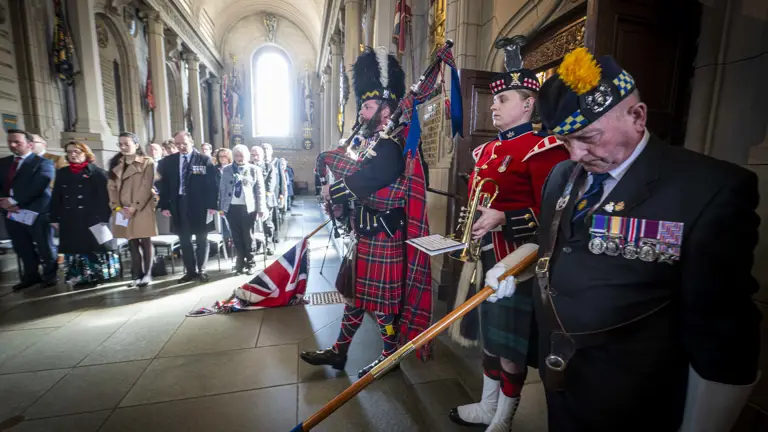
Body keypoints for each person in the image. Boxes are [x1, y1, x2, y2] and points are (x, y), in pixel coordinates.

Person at [485, 48, 761, 432]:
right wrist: (511, 264)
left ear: (637, 116)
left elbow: (724, 333)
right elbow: (551, 242)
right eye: (566, 141)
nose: (577, 153)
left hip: (637, 395)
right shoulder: (562, 176)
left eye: (588, 136)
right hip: (561, 379)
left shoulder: (708, 190)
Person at [448, 68, 569, 430]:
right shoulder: (487, 150)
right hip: (486, 255)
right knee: (489, 337)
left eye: (503, 99)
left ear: (529, 104)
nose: (493, 107)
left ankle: (503, 418)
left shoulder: (543, 148)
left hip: (519, 261)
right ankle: (488, 405)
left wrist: (504, 217)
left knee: (510, 347)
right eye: (494, 100)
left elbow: (554, 213)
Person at [300, 46, 433, 377]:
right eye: (362, 104)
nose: (362, 110)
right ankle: (339, 352)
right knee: (356, 298)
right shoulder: (372, 143)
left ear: (386, 110)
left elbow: (373, 178)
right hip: (367, 233)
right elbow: (359, 179)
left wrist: (337, 186)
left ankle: (390, 356)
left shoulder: (394, 144)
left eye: (368, 105)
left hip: (385, 236)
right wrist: (342, 206)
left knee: (385, 307)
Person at [50, 141, 117, 287]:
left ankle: (96, 275)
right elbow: (57, 196)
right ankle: (78, 276)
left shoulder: (97, 173)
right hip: (70, 218)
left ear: (86, 153)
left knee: (94, 247)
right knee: (74, 247)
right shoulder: (62, 173)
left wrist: (103, 220)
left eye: (77, 151)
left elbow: (105, 199)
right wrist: (54, 218)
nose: (73, 155)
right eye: (69, 152)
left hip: (92, 218)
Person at [157, 131, 220, 283]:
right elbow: (162, 185)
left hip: (200, 205)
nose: (181, 147)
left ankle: (202, 269)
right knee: (184, 239)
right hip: (179, 204)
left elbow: (212, 185)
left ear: (191, 141)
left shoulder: (204, 160)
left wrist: (212, 205)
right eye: (178, 144)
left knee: (201, 238)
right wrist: (164, 205)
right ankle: (190, 271)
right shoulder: (168, 161)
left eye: (184, 143)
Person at [0, 129, 57, 290]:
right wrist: (4, 201)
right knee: (21, 245)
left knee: (44, 245)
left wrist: (14, 201)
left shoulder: (43, 163)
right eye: (10, 142)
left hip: (36, 211)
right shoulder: (3, 163)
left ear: (30, 145)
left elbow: (39, 186)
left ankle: (50, 275)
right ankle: (31, 276)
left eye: (17, 142)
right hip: (11, 213)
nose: (12, 145)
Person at [108, 132, 158, 287]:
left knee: (145, 239)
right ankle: (137, 274)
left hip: (141, 207)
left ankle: (147, 274)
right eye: (120, 144)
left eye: (126, 143)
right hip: (122, 209)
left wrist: (134, 207)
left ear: (136, 145)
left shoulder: (147, 162)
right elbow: (111, 188)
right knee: (131, 241)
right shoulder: (116, 164)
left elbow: (146, 186)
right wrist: (117, 207)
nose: (123, 147)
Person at [219, 144, 266, 275]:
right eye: (237, 156)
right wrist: (222, 208)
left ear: (247, 156)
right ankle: (240, 262)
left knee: (248, 235)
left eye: (242, 156)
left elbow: (259, 190)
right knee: (236, 236)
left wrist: (261, 208)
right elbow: (222, 189)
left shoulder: (254, 169)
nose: (239, 158)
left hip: (248, 208)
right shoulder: (227, 169)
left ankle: (251, 262)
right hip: (231, 207)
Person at [252, 145, 274, 255]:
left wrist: (264, 202)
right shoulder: (249, 166)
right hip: (252, 201)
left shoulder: (268, 166)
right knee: (255, 224)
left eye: (257, 155)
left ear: (262, 155)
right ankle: (258, 245)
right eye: (253, 155)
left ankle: (269, 244)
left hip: (266, 200)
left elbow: (270, 185)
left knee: (267, 224)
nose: (255, 157)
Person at [261, 143, 282, 243]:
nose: (265, 151)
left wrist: (282, 193)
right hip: (262, 193)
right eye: (263, 149)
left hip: (274, 192)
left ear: (271, 151)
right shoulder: (259, 163)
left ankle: (275, 236)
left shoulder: (276, 162)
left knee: (274, 215)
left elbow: (281, 178)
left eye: (267, 149)